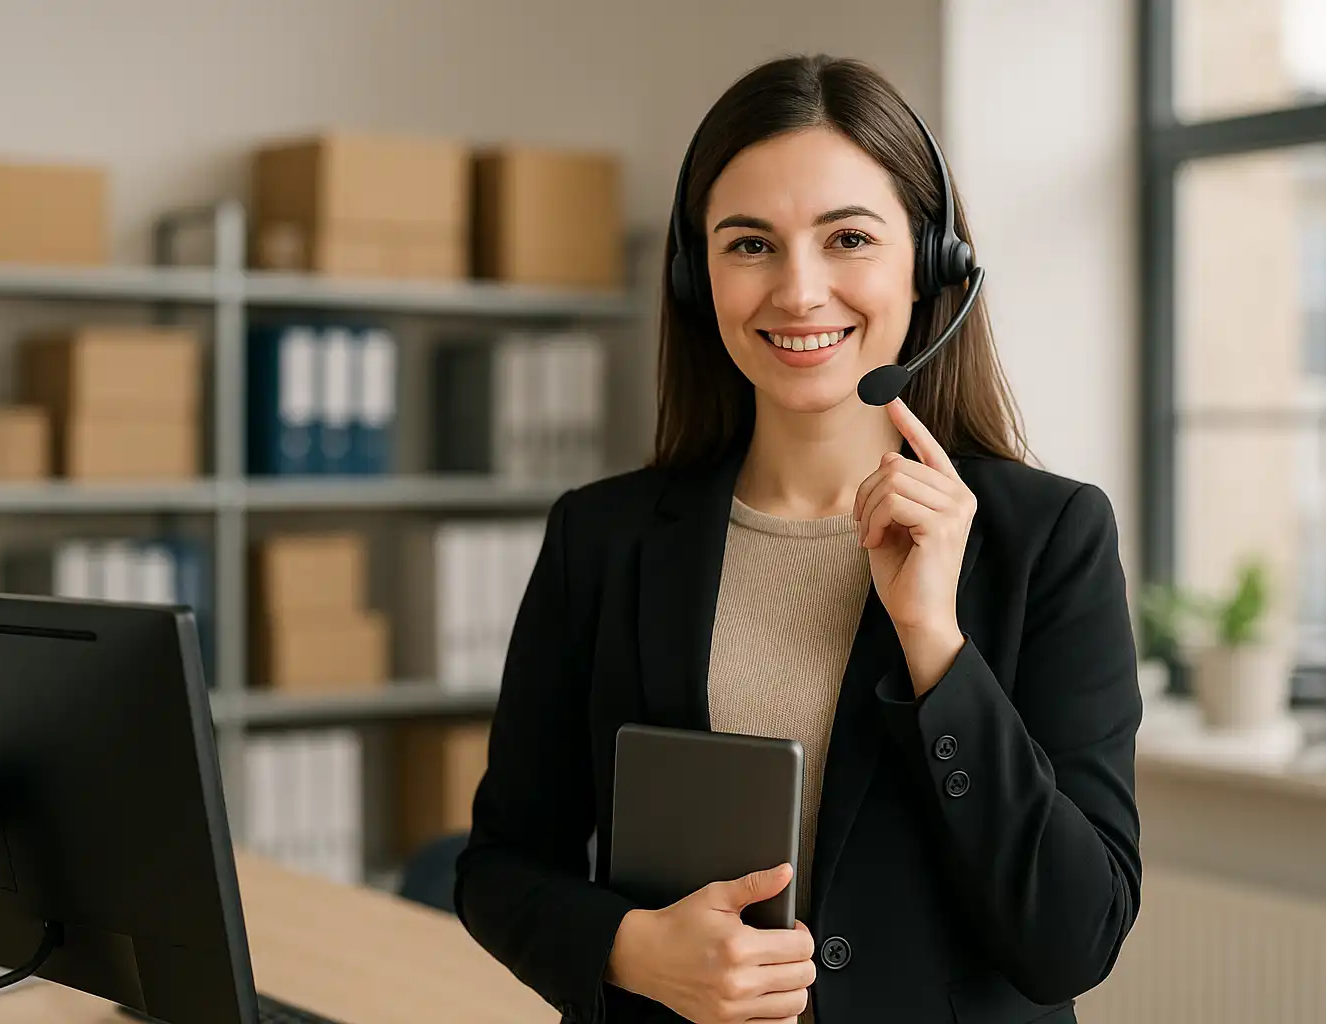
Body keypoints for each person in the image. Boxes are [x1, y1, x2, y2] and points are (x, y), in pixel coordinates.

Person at [455, 53, 1142, 1024]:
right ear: (699, 276)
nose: (799, 290)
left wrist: (936, 646)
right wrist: (630, 948)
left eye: (848, 237)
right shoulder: (600, 538)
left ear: (932, 262)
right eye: (749, 245)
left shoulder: (1050, 537)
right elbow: (500, 864)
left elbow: (1073, 938)